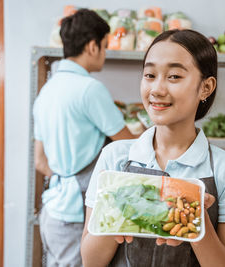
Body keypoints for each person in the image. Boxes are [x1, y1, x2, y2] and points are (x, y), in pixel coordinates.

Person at [81, 29, 225, 267]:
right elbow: (91, 262)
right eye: (150, 75)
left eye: (174, 76)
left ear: (206, 87)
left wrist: (195, 222)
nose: (157, 89)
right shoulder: (115, 157)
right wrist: (117, 212)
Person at [33, 9, 136, 267]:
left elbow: (40, 162)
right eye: (104, 46)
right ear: (92, 46)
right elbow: (127, 146)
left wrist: (65, 175)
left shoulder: (47, 91)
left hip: (52, 211)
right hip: (75, 214)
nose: (105, 52)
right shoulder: (90, 90)